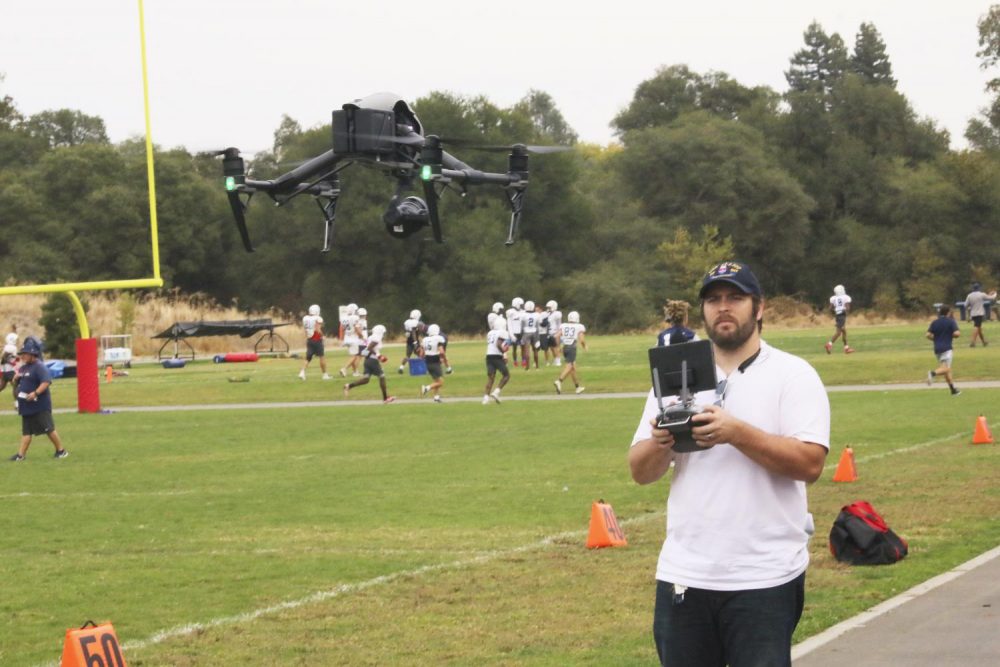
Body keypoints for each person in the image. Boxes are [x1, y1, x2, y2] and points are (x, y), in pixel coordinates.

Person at [628, 261, 830, 666]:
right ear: (701, 311)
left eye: (735, 298)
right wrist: (662, 442)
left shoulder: (793, 374)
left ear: (759, 308)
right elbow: (640, 471)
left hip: (764, 574)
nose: (723, 308)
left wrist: (735, 432)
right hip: (685, 572)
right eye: (713, 299)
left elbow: (810, 463)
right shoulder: (675, 376)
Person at [9, 337, 69, 461]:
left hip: (39, 405)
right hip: (27, 405)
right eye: (23, 354)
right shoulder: (24, 367)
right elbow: (19, 382)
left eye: (25, 354)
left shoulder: (39, 366)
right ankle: (21, 455)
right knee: (26, 432)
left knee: (49, 429)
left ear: (33, 354)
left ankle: (61, 451)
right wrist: (16, 379)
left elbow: (46, 382)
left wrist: (35, 393)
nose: (23, 356)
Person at [344, 324, 395, 404]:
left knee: (366, 380)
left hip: (368, 360)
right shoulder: (376, 338)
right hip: (372, 360)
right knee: (382, 377)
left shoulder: (371, 337)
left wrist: (376, 355)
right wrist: (379, 356)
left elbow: (366, 350)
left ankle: (348, 386)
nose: (383, 334)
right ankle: (385, 398)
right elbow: (368, 348)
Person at [926, 304, 962, 396]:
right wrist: (951, 335)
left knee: (946, 369)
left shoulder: (935, 322)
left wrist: (936, 339)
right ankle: (932, 373)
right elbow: (957, 334)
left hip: (937, 349)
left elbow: (928, 335)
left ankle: (953, 389)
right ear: (948, 312)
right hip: (947, 348)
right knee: (946, 369)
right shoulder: (951, 322)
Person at [553, 310, 587, 394]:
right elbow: (582, 340)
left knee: (572, 368)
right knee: (570, 366)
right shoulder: (579, 326)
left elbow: (556, 336)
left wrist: (558, 346)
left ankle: (577, 387)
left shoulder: (563, 325)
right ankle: (559, 381)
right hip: (572, 348)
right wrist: (584, 346)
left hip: (565, 347)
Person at [483, 316, 511, 404]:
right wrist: (504, 352)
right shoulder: (503, 332)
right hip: (497, 356)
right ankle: (496, 392)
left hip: (489, 356)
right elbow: (499, 344)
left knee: (491, 378)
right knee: (506, 375)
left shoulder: (490, 332)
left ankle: (485, 398)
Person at [299, 304, 331, 380]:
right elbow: (317, 329)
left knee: (308, 358)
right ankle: (325, 375)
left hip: (309, 339)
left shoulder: (305, 318)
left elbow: (305, 329)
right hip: (317, 339)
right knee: (322, 357)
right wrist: (323, 336)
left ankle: (302, 372)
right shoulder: (318, 318)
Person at [418, 324, 447, 403]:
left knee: (436, 380)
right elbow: (441, 352)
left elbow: (421, 354)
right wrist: (442, 359)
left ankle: (436, 397)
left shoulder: (425, 339)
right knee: (440, 382)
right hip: (435, 362)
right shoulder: (438, 338)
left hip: (427, 362)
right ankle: (426, 388)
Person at [964, 282, 997, 348]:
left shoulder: (969, 295)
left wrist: (970, 307)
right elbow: (991, 298)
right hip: (979, 313)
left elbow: (965, 305)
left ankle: (984, 342)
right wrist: (995, 293)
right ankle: (972, 342)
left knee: (979, 328)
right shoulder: (981, 294)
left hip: (973, 314)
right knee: (977, 327)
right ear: (979, 288)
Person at [825, 284, 854, 354]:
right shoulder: (846, 297)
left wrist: (834, 313)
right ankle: (829, 344)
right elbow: (847, 308)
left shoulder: (833, 298)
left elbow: (830, 308)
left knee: (844, 331)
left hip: (837, 315)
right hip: (842, 316)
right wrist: (845, 311)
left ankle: (846, 348)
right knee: (838, 332)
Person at [398, 309, 424, 374]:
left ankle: (401, 367)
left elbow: (407, 332)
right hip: (415, 340)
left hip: (409, 340)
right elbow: (413, 332)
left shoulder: (406, 322)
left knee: (407, 356)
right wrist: (415, 342)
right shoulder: (416, 322)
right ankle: (421, 368)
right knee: (421, 354)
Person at [339, 303, 361, 377]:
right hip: (353, 339)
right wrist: (361, 336)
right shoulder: (355, 317)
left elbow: (341, 329)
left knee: (353, 356)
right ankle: (344, 369)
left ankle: (355, 372)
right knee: (354, 356)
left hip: (347, 338)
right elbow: (357, 329)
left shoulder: (343, 318)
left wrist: (341, 339)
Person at [520, 300, 542, 370]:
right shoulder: (537, 315)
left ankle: (527, 367)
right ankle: (537, 366)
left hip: (526, 332)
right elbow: (538, 325)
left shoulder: (523, 314)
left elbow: (521, 326)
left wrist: (521, 335)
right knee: (535, 349)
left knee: (527, 350)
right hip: (535, 332)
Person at [507, 298, 525, 368]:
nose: (522, 306)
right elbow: (509, 324)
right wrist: (511, 335)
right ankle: (515, 361)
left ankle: (523, 360)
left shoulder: (523, 312)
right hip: (514, 332)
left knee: (523, 347)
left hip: (521, 332)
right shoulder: (510, 312)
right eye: (520, 304)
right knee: (514, 348)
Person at [545, 300, 563, 366]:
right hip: (549, 332)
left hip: (556, 332)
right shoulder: (547, 314)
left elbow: (559, 324)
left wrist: (558, 333)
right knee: (551, 347)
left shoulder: (557, 314)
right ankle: (555, 359)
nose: (548, 309)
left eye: (549, 307)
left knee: (556, 347)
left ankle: (558, 361)